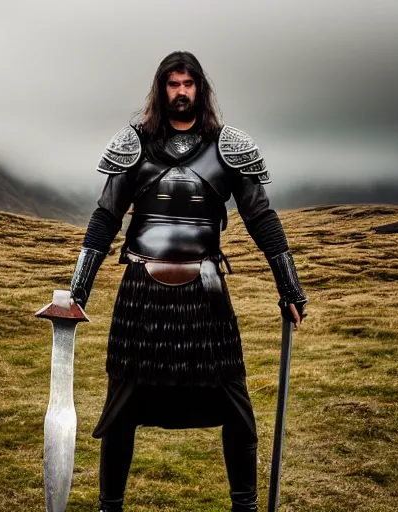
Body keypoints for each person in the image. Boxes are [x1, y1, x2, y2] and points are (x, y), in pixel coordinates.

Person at [70, 51, 307, 512]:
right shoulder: (133, 143)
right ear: (161, 89)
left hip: (206, 292)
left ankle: (245, 506)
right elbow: (106, 218)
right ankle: (109, 506)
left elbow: (262, 218)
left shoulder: (228, 145)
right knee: (120, 406)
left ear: (201, 88)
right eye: (173, 84)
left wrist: (289, 286)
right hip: (140, 291)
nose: (181, 92)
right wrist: (79, 287)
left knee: (235, 402)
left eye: (189, 83)